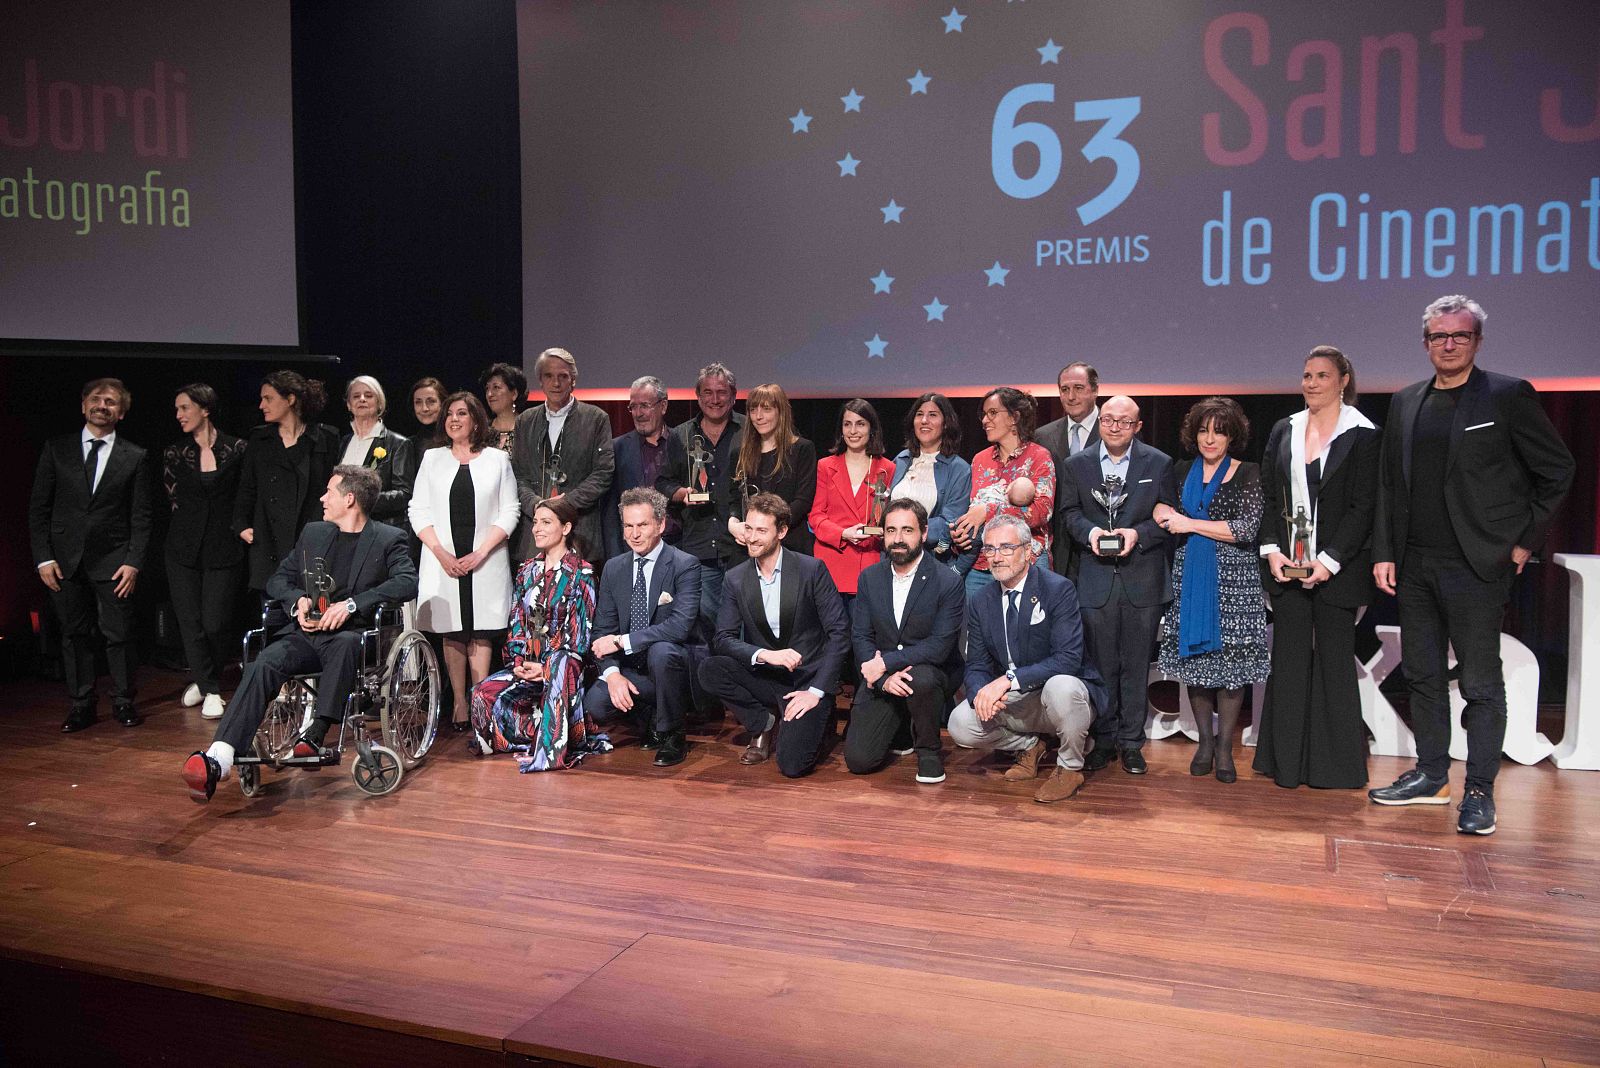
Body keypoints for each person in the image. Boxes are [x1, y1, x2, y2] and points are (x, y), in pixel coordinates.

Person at [1369, 296, 1575, 834]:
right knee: (1423, 675)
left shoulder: (1507, 395)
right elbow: (1391, 485)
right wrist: (1386, 550)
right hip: (1415, 564)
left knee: (1482, 683)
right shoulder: (1406, 401)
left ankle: (1479, 790)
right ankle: (1431, 774)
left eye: (1460, 336)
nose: (1449, 344)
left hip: (1478, 563)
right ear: (1426, 343)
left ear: (1477, 341)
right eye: (1439, 336)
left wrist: (1524, 542)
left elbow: (1556, 470)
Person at [182, 466, 417, 802]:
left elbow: (407, 581)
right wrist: (298, 603)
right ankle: (218, 757)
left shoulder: (387, 538)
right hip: (306, 635)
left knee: (347, 643)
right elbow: (278, 580)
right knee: (265, 661)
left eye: (329, 492)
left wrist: (351, 605)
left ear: (350, 499)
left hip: (352, 637)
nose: (322, 498)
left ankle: (316, 732)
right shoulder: (314, 534)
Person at [1252, 349, 1381, 790]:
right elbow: (1269, 497)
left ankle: (1335, 767)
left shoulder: (1363, 434)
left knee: (1333, 665)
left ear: (1343, 380)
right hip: (1285, 567)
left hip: (1338, 571)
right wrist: (1271, 550)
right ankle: (1284, 762)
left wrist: (1328, 561)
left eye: (1322, 375)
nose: (1311, 383)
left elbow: (1364, 507)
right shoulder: (1284, 429)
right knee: (1287, 664)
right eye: (1306, 375)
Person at [947, 514, 1105, 803]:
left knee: (1063, 686)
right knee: (960, 723)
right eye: (990, 549)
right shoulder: (981, 600)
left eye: (1006, 547)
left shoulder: (1058, 589)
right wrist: (982, 694)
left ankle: (1070, 767)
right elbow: (977, 664)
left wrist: (1007, 680)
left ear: (1029, 549)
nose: (997, 557)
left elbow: (1068, 659)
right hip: (1017, 701)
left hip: (1056, 696)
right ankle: (1032, 745)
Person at [1058, 395, 1177, 775]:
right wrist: (1092, 533)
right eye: (1107, 419)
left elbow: (1167, 518)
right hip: (1095, 579)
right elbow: (1069, 514)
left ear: (1137, 426)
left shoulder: (1158, 463)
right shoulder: (1077, 464)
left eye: (1123, 422)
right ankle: (1105, 738)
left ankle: (1131, 743)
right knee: (1100, 666)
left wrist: (1136, 534)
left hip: (1142, 579)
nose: (1113, 426)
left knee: (1136, 665)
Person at [1153, 397, 1270, 784]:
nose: (1210, 438)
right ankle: (1204, 742)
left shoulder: (1248, 472)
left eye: (1219, 431)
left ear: (1232, 435)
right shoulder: (1182, 469)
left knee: (1233, 669)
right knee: (1197, 665)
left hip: (1236, 581)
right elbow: (1161, 507)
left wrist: (1189, 523)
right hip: (1189, 576)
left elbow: (1245, 529)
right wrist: (1164, 514)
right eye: (1204, 430)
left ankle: (1224, 749)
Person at [29, 378, 154, 731]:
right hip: (63, 560)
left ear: (122, 412)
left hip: (114, 560)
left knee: (119, 634)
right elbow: (38, 508)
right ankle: (81, 703)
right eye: (96, 400)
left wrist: (133, 561)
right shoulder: (57, 448)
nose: (103, 406)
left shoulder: (135, 455)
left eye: (111, 402)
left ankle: (123, 701)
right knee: (74, 633)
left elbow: (141, 515)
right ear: (83, 406)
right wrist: (43, 557)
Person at [698, 493, 849, 777]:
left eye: (762, 531)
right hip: (768, 677)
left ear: (781, 532)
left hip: (807, 681)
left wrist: (816, 692)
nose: (752, 538)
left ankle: (821, 718)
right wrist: (763, 654)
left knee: (791, 766)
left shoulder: (811, 569)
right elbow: (723, 638)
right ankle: (763, 722)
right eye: (749, 529)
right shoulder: (736, 577)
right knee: (709, 668)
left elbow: (840, 634)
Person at [410, 392, 520, 731]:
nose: (454, 419)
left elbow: (510, 510)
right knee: (452, 629)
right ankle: (458, 701)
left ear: (476, 420)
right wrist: (441, 553)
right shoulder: (432, 459)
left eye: (462, 413)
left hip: (484, 558)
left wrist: (481, 552)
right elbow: (418, 509)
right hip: (442, 558)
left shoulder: (497, 460)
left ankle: (479, 698)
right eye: (449, 414)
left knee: (481, 629)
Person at [469, 497, 599, 771]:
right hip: (529, 663)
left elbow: (580, 635)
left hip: (566, 665)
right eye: (536, 522)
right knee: (482, 692)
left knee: (560, 665)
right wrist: (518, 663)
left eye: (546, 522)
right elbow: (516, 621)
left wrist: (545, 668)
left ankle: (549, 752)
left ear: (565, 528)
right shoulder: (526, 571)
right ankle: (524, 738)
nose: (537, 528)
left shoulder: (582, 572)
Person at [843, 499, 965, 783]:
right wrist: (883, 678)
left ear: (923, 533)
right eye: (891, 530)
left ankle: (929, 751)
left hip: (930, 671)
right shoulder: (870, 578)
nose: (898, 539)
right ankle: (899, 728)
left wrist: (885, 663)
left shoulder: (947, 582)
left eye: (907, 530)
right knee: (859, 761)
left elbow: (939, 647)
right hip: (884, 676)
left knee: (920, 679)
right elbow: (860, 635)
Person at [584, 488, 702, 767]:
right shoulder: (614, 568)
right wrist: (612, 675)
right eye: (628, 526)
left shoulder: (685, 565)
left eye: (642, 525)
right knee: (596, 704)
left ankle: (673, 733)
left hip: (676, 667)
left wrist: (622, 641)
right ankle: (651, 714)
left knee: (661, 652)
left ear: (660, 525)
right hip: (635, 670)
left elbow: (679, 627)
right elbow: (603, 630)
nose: (634, 534)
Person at [164, 383, 248, 721]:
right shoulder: (174, 453)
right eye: (177, 409)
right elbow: (174, 503)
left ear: (205, 409)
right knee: (190, 621)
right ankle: (210, 687)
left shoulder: (238, 449)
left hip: (225, 546)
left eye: (185, 408)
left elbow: (245, 496)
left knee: (215, 622)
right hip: (182, 548)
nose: (179, 415)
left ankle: (205, 677)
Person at [233, 370, 339, 592]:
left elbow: (333, 486)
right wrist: (241, 524)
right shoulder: (260, 439)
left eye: (268, 398)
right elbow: (247, 486)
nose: (261, 405)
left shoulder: (325, 438)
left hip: (311, 535)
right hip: (269, 538)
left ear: (290, 399)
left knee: (314, 603)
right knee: (273, 604)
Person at [663, 362, 745, 640]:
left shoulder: (749, 432)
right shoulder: (680, 435)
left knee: (743, 623)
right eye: (707, 392)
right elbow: (663, 482)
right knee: (708, 627)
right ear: (698, 396)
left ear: (733, 396)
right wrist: (680, 494)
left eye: (721, 392)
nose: (714, 399)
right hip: (699, 545)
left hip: (741, 546)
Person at [510, 347, 615, 563]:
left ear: (573, 380)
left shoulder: (596, 418)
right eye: (549, 376)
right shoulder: (525, 421)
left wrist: (565, 504)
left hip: (581, 533)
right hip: (534, 538)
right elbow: (518, 475)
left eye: (563, 376)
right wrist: (537, 506)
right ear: (540, 380)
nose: (556, 383)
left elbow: (603, 473)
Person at [951, 387, 1056, 598]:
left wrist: (989, 512)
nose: (984, 421)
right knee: (979, 629)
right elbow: (973, 508)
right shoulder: (980, 460)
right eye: (984, 415)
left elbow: (1041, 512)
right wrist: (962, 531)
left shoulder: (1038, 456)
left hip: (1027, 561)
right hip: (982, 564)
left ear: (1014, 417)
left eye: (993, 413)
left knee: (1029, 628)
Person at [809, 398, 895, 601]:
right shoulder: (825, 466)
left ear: (871, 428)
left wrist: (882, 530)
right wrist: (843, 534)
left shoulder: (887, 468)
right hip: (831, 561)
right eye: (847, 424)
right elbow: (816, 516)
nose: (853, 431)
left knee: (863, 632)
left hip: (868, 562)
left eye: (860, 424)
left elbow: (884, 516)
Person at [727, 382, 816, 557]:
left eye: (766, 409)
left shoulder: (802, 449)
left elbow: (803, 500)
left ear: (781, 412)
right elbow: (733, 499)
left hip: (790, 543)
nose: (758, 416)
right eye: (753, 410)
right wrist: (733, 523)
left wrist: (769, 528)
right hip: (750, 546)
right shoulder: (740, 454)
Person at [601, 375, 685, 560]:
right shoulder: (617, 449)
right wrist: (615, 556)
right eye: (633, 406)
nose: (638, 413)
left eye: (645, 405)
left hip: (679, 548)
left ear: (663, 406)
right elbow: (609, 512)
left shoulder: (683, 443)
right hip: (631, 552)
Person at [887, 392, 972, 574]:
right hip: (892, 558)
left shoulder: (959, 468)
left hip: (932, 562)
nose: (924, 420)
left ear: (946, 423)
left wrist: (908, 534)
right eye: (919, 415)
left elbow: (951, 521)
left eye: (933, 415)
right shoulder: (900, 460)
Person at [1034, 362, 1102, 581]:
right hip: (1060, 544)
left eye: (1079, 388)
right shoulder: (1043, 436)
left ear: (1095, 390)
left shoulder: (1115, 431)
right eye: (1065, 389)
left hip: (1100, 541)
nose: (1071, 396)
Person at [338, 375, 416, 533]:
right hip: (343, 527)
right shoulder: (344, 441)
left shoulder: (398, 443)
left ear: (380, 403)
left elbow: (405, 494)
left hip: (378, 529)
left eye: (368, 395)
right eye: (356, 396)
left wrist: (361, 499)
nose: (362, 399)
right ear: (348, 405)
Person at [481, 362, 525, 453]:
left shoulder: (527, 429)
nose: (489, 394)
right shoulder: (482, 431)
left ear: (514, 394)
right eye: (487, 388)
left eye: (496, 387)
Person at [410, 376, 449, 452]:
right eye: (418, 402)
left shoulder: (457, 440)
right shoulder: (408, 445)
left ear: (443, 403)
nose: (424, 408)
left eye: (431, 401)